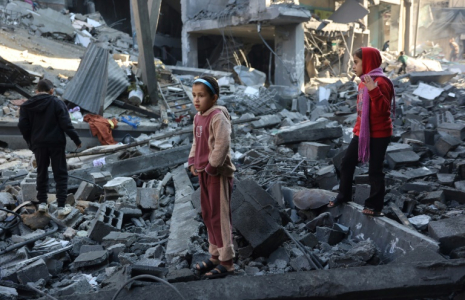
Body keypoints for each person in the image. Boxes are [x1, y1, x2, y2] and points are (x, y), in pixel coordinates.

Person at [328, 47, 395, 217]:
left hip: (380, 134)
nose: (353, 67)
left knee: (375, 170)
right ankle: (344, 195)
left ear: (368, 62)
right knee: (347, 162)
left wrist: (374, 89)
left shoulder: (382, 82)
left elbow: (383, 110)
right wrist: (357, 131)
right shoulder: (363, 82)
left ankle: (374, 206)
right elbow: (361, 113)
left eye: (356, 62)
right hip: (362, 133)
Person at [187, 76, 236, 279]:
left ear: (214, 97)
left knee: (219, 216)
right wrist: (192, 161)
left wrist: (212, 166)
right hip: (203, 173)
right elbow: (196, 143)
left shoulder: (217, 116)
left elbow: (222, 144)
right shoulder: (198, 117)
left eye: (202, 96)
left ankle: (227, 261)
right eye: (194, 96)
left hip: (216, 173)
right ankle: (215, 255)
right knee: (208, 215)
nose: (196, 100)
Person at [18, 79, 81, 217]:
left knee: (41, 172)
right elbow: (66, 124)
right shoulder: (57, 103)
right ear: (52, 91)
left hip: (39, 144)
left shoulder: (27, 106)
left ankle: (42, 204)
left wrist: (31, 141)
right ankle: (61, 206)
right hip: (56, 143)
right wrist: (76, 139)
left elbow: (23, 126)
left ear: (36, 91)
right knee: (60, 173)